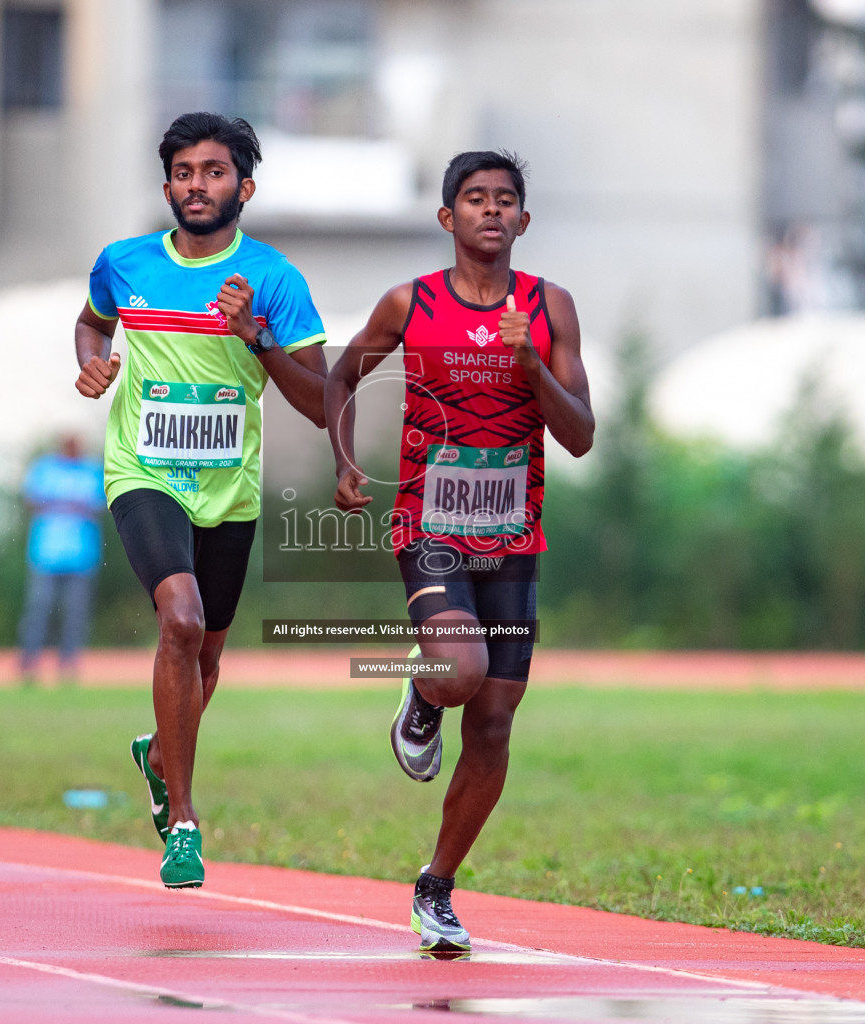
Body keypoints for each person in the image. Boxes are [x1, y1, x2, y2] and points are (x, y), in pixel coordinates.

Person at [324, 151, 594, 951]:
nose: (490, 211)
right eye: (474, 199)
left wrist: (531, 366)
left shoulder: (552, 307)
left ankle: (436, 887)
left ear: (524, 220)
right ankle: (421, 690)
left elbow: (579, 435)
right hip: (429, 527)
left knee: (497, 724)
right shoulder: (410, 303)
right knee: (462, 671)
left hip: (512, 536)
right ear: (448, 218)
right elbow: (342, 378)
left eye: (505, 200)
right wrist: (345, 463)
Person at [73, 112, 328, 890]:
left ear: (243, 188)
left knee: (208, 658)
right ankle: (181, 822)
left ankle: (159, 751)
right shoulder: (123, 263)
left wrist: (256, 336)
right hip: (142, 472)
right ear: (167, 186)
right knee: (178, 620)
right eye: (184, 173)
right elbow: (91, 324)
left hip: (228, 489)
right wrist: (94, 363)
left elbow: (321, 402)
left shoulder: (276, 280)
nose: (196, 185)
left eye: (213, 172)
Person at [17, 435, 107, 684]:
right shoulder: (44, 467)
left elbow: (101, 505)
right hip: (46, 554)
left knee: (75, 615)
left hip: (82, 556)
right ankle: (28, 664)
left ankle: (68, 667)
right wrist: (73, 505)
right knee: (38, 610)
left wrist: (57, 502)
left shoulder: (92, 470)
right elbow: (30, 500)